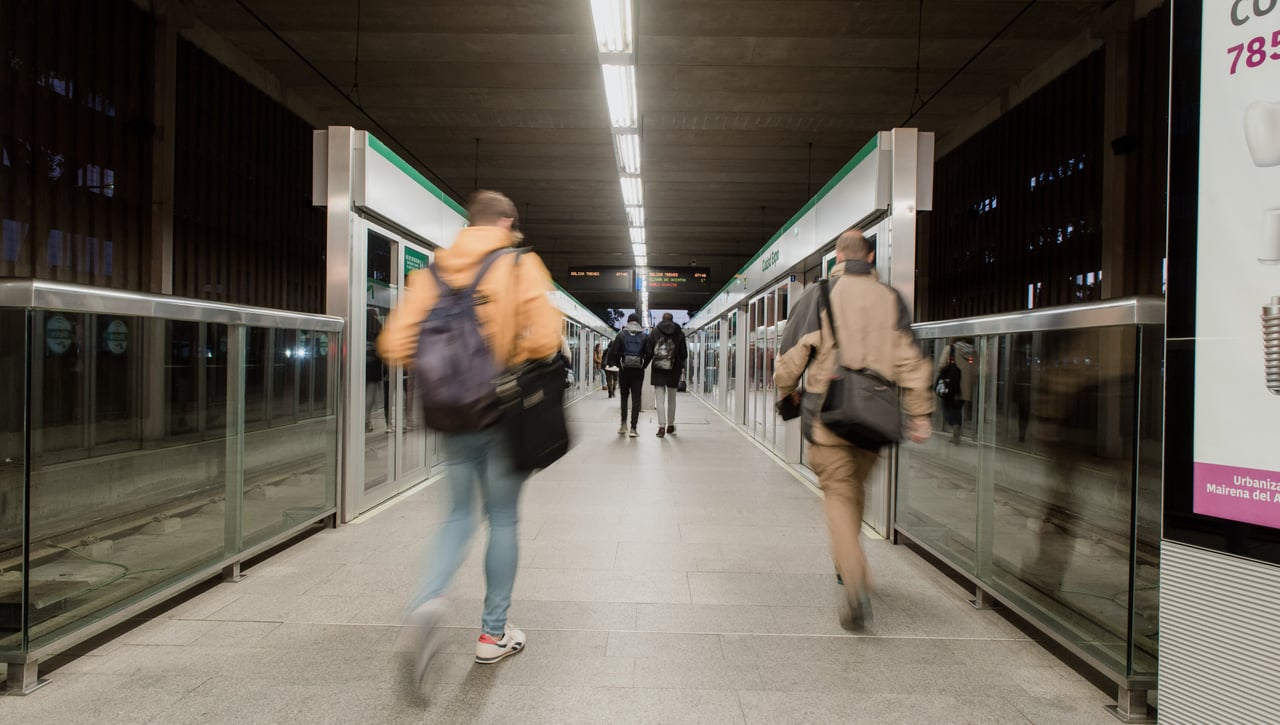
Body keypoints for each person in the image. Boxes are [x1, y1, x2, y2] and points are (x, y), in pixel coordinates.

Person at [377, 190, 562, 697]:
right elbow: (547, 338)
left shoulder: (432, 272)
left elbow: (393, 343)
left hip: (453, 416)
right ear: (507, 222)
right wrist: (505, 352)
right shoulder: (519, 265)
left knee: (458, 516)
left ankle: (427, 604)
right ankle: (492, 633)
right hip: (503, 413)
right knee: (502, 518)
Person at [774, 229, 933, 631]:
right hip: (874, 418)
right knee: (855, 490)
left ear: (838, 257)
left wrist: (785, 390)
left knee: (839, 497)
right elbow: (911, 361)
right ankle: (848, 564)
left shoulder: (820, 295)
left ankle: (855, 580)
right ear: (871, 257)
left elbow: (793, 356)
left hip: (829, 417)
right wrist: (920, 413)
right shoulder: (891, 300)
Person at [606, 313, 649, 437]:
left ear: (628, 321)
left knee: (624, 397)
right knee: (636, 399)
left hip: (625, 371)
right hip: (638, 372)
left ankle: (623, 424)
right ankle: (633, 429)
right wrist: (643, 365)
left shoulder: (621, 335)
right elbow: (649, 352)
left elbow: (614, 352)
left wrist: (620, 365)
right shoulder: (644, 336)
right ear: (638, 322)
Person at [645, 312, 687, 437]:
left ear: (662, 319)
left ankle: (661, 427)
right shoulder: (680, 333)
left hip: (658, 369)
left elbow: (649, 351)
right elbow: (684, 354)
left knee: (660, 399)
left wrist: (644, 365)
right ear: (672, 320)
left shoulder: (655, 332)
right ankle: (671, 425)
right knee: (672, 399)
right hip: (674, 369)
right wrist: (680, 365)